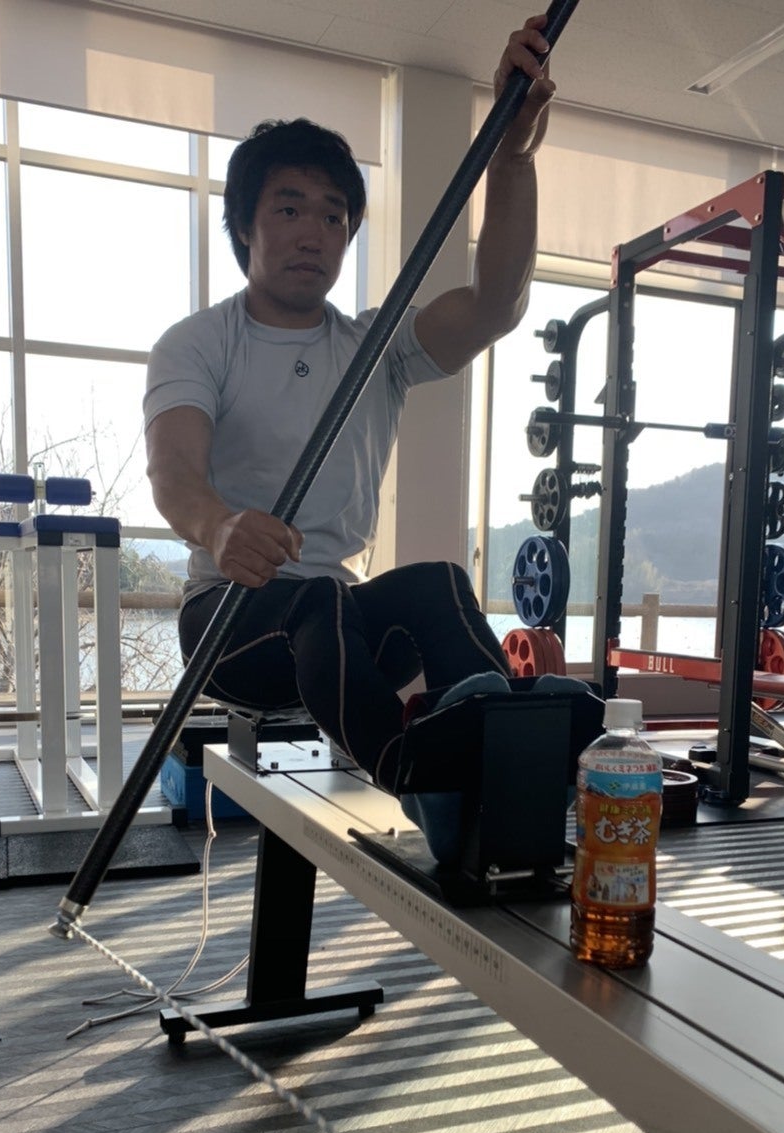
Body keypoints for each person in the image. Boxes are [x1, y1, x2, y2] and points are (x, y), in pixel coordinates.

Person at [144, 15, 556, 798]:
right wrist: (220, 527)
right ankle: (416, 776)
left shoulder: (377, 346)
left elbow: (496, 303)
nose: (315, 233)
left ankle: (510, 760)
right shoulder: (197, 343)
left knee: (437, 583)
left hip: (346, 632)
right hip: (228, 626)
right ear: (244, 226)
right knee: (321, 601)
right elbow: (174, 475)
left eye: (334, 215)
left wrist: (513, 153)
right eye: (289, 209)